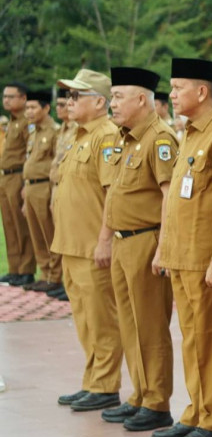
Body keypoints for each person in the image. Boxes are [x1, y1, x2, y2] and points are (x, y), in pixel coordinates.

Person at [156, 58, 212, 437]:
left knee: (208, 337)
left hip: (203, 256)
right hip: (181, 253)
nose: (172, 95)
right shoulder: (189, 132)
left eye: (178, 88)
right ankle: (195, 411)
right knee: (191, 338)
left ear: (202, 92)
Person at [102, 66, 178, 432]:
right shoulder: (125, 138)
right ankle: (139, 393)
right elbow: (114, 192)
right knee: (130, 324)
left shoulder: (159, 139)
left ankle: (157, 401)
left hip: (146, 240)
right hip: (122, 241)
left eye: (118, 96)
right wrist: (105, 237)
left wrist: (163, 247)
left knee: (150, 326)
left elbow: (168, 198)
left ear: (143, 100)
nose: (112, 103)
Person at [52, 69, 124, 412]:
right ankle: (92, 381)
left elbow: (111, 193)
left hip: (91, 245)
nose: (69, 102)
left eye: (76, 96)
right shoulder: (77, 136)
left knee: (101, 318)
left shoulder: (107, 136)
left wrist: (104, 239)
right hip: (70, 243)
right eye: (68, 96)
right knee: (83, 317)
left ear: (99, 102)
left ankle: (106, 385)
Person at [21, 89, 62, 294]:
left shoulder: (54, 131)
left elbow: (56, 163)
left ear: (46, 108)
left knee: (49, 233)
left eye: (32, 107)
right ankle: (44, 273)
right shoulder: (33, 131)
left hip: (45, 186)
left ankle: (55, 276)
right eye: (27, 107)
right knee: (36, 233)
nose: (28, 111)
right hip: (30, 187)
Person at [0, 81, 34, 286]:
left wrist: (24, 183)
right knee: (9, 224)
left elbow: (29, 153)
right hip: (5, 177)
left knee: (22, 225)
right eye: (4, 96)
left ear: (23, 98)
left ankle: (26, 270)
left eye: (11, 96)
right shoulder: (11, 122)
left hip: (18, 176)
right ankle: (14, 268)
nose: (6, 100)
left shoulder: (26, 122)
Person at [46, 89, 75, 301]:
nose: (62, 108)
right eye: (61, 104)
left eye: (64, 104)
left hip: (69, 188)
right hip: (56, 186)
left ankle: (66, 281)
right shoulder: (63, 130)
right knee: (58, 236)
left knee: (68, 236)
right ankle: (62, 279)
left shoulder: (76, 129)